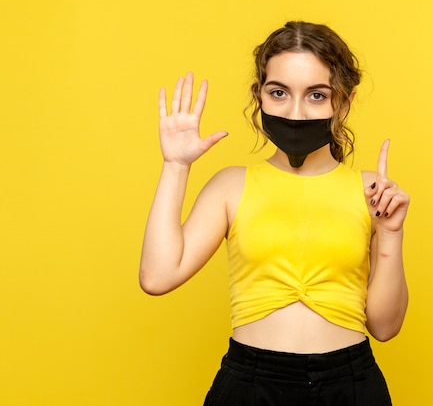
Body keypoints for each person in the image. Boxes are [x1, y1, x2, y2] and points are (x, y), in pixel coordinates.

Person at [140, 21, 410, 405]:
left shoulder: (371, 191)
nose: (296, 112)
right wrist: (176, 166)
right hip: (251, 384)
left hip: (349, 384)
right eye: (279, 92)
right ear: (260, 96)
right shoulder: (231, 186)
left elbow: (385, 327)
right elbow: (158, 276)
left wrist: (392, 232)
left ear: (343, 102)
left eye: (317, 95)